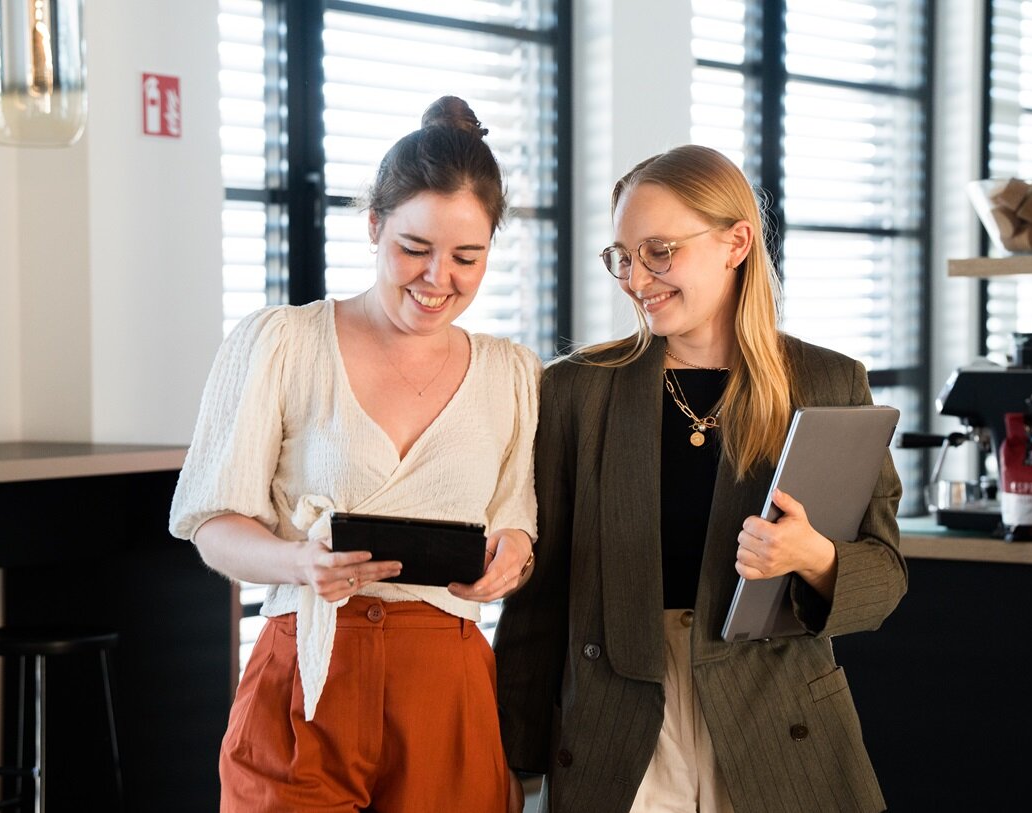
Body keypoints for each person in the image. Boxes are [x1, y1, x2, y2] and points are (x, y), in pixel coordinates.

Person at [493, 144, 906, 813]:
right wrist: (512, 761)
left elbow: (885, 575)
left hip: (776, 729)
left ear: (736, 241)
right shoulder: (575, 391)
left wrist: (816, 558)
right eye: (622, 255)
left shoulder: (828, 383)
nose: (635, 277)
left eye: (659, 250)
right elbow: (539, 601)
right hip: (615, 726)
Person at [169, 96, 539, 813]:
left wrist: (510, 557)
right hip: (307, 670)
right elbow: (213, 522)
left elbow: (515, 523)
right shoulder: (281, 342)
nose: (439, 278)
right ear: (374, 226)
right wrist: (297, 561)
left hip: (447, 688)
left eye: (468, 256)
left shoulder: (514, 374)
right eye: (414, 249)